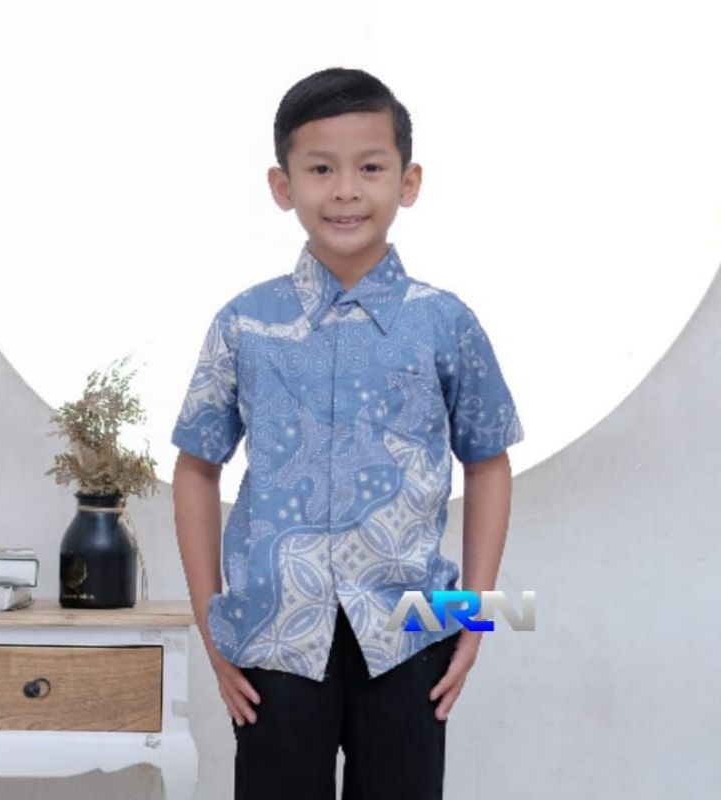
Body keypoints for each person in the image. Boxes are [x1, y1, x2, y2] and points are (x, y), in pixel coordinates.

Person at [171, 67, 524, 800]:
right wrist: (212, 624)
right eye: (320, 169)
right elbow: (196, 467)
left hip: (412, 627)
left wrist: (478, 619)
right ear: (282, 185)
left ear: (408, 181)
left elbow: (488, 462)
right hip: (273, 631)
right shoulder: (245, 323)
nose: (345, 191)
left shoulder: (446, 323)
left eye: (370, 167)